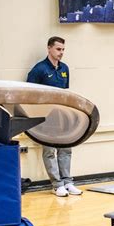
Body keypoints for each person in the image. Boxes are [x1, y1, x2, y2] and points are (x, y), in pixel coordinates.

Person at [26, 36, 82, 197]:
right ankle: (56, 184)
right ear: (49, 48)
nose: (61, 52)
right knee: (49, 151)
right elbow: (30, 93)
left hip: (63, 116)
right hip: (46, 117)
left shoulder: (64, 68)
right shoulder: (39, 69)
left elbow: (65, 92)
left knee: (66, 148)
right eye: (58, 49)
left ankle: (67, 181)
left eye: (63, 49)